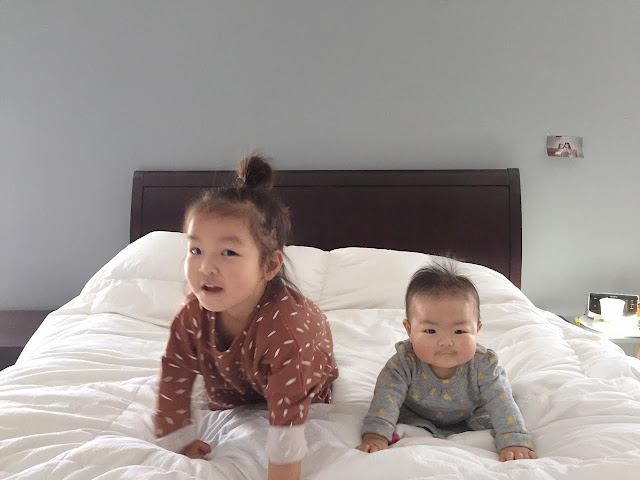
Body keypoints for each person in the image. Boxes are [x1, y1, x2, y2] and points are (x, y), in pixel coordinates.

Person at [154, 154, 339, 480]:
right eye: (196, 250)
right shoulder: (191, 315)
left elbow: (288, 426)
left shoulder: (289, 330)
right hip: (237, 384)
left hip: (304, 372)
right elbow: (175, 374)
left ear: (269, 265)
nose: (206, 267)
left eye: (228, 252)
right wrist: (180, 442)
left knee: (296, 385)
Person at [356, 262, 537, 462]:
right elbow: (386, 398)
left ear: (477, 330)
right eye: (430, 331)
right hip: (417, 415)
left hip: (471, 414)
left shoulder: (484, 365)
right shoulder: (403, 363)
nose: (446, 342)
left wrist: (514, 441)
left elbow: (501, 402)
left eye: (459, 331)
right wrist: (376, 435)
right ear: (409, 330)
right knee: (402, 420)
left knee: (490, 418)